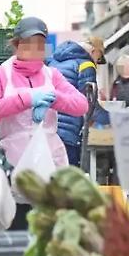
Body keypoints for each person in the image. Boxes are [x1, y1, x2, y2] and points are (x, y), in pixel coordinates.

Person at [0, 17, 89, 170]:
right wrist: (26, 99)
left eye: (40, 45)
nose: (35, 50)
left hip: (50, 158)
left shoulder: (52, 75)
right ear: (16, 44)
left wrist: (52, 98)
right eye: (29, 44)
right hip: (14, 160)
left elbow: (81, 105)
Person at [48, 37, 99, 166]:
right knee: (69, 177)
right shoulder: (86, 64)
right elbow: (90, 105)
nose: (97, 63)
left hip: (49, 128)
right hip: (69, 132)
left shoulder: (54, 61)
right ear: (93, 52)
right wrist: (115, 118)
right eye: (99, 58)